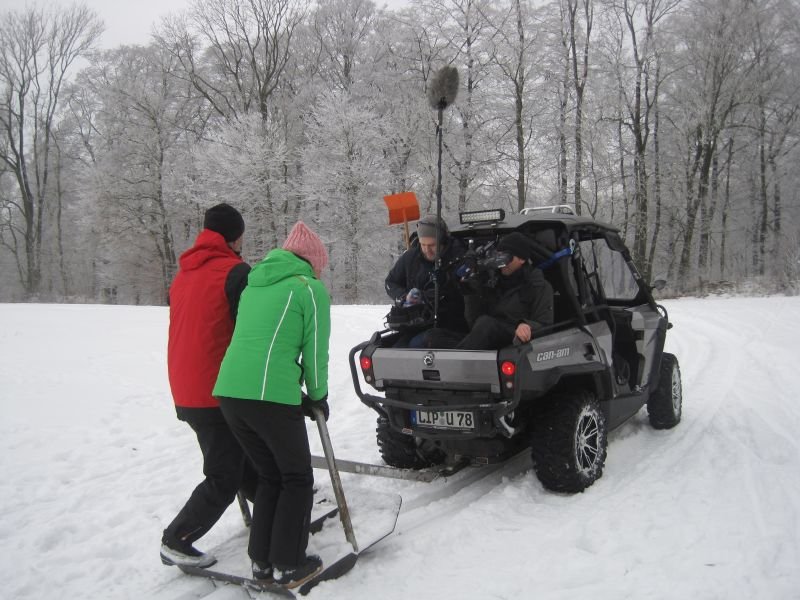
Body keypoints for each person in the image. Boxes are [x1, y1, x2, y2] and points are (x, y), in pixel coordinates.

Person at [213, 221, 331, 590]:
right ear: (312, 262)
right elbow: (315, 351)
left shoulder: (254, 283)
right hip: (269, 394)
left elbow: (258, 341)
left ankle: (262, 562)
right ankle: (289, 564)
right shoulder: (308, 289)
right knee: (296, 477)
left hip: (230, 391)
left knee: (270, 476)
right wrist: (318, 395)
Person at [161, 203, 257, 569]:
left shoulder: (184, 274)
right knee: (224, 474)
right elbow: (250, 334)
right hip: (217, 390)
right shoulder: (235, 273)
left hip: (185, 386)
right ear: (234, 237)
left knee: (242, 455)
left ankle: (278, 508)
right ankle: (177, 538)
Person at [456, 232, 554, 350]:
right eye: (499, 256)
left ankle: (456, 359)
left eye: (506, 257)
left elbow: (545, 325)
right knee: (437, 336)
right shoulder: (493, 281)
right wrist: (470, 289)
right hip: (485, 337)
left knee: (486, 324)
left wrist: (526, 326)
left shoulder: (538, 286)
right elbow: (473, 322)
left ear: (521, 259)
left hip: (513, 340)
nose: (502, 263)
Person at [384, 215, 468, 345]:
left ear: (443, 241)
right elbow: (390, 282)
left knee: (417, 344)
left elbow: (467, 293)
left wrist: (445, 282)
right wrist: (404, 297)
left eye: (432, 245)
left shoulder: (460, 257)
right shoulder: (410, 257)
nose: (427, 250)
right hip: (415, 322)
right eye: (423, 244)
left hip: (450, 325)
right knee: (397, 348)